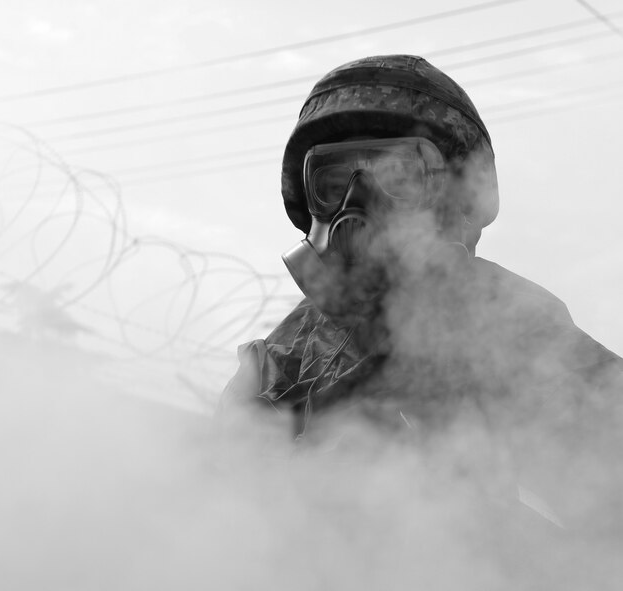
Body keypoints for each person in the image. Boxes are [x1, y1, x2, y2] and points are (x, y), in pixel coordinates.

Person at [219, 55, 623, 528]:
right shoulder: (275, 365)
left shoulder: (504, 323)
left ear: (458, 197)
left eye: (398, 178)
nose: (358, 202)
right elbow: (206, 526)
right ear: (310, 200)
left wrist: (489, 537)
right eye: (335, 180)